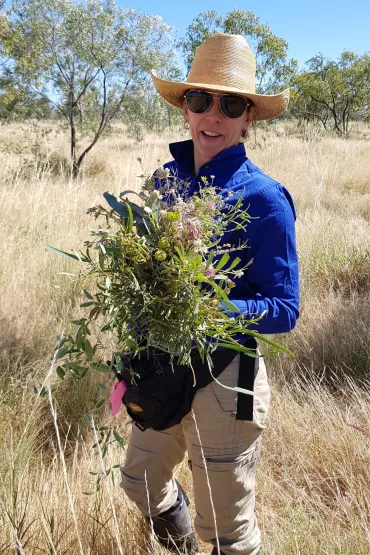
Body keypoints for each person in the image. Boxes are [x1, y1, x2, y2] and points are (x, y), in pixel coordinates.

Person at [120, 33, 300, 555]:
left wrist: (213, 308)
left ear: (250, 119)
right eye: (201, 99)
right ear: (185, 110)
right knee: (140, 483)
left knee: (226, 531)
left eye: (231, 103)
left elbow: (284, 308)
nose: (213, 115)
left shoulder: (265, 198)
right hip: (164, 365)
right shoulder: (165, 182)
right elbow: (146, 274)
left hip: (227, 376)